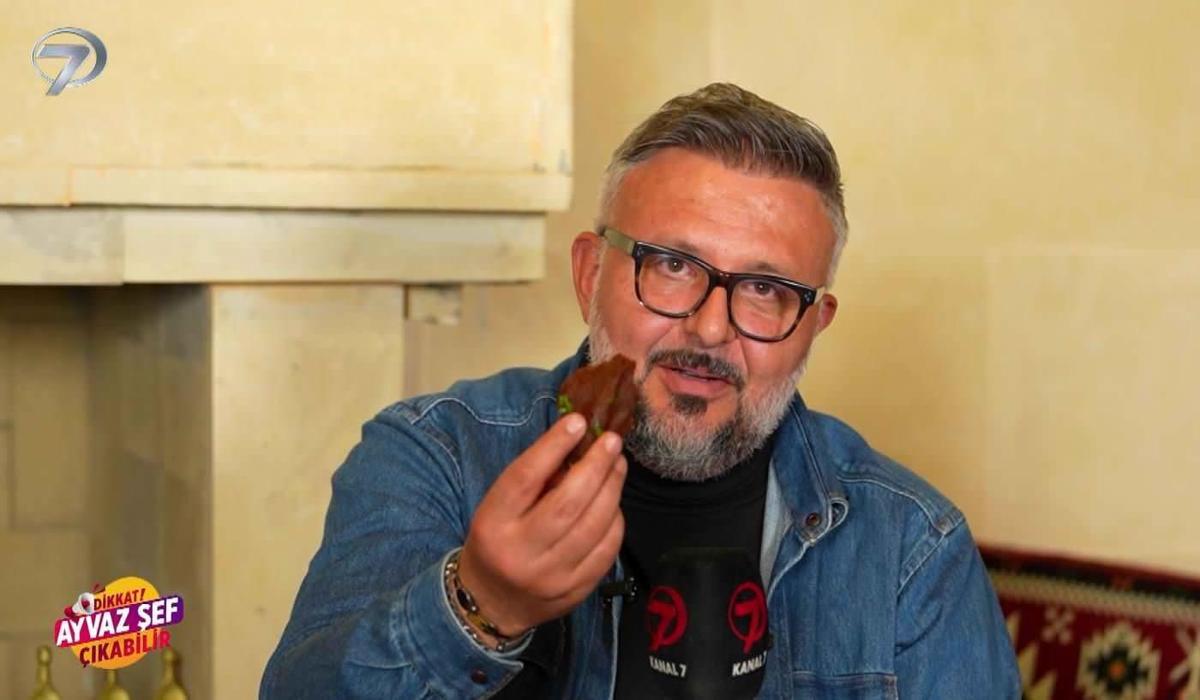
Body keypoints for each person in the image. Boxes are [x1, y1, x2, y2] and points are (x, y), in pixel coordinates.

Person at [260, 82, 1021, 698]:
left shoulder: (910, 547)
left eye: (765, 289)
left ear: (814, 325)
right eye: (672, 266)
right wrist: (481, 603)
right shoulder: (436, 456)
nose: (710, 328)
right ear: (590, 274)